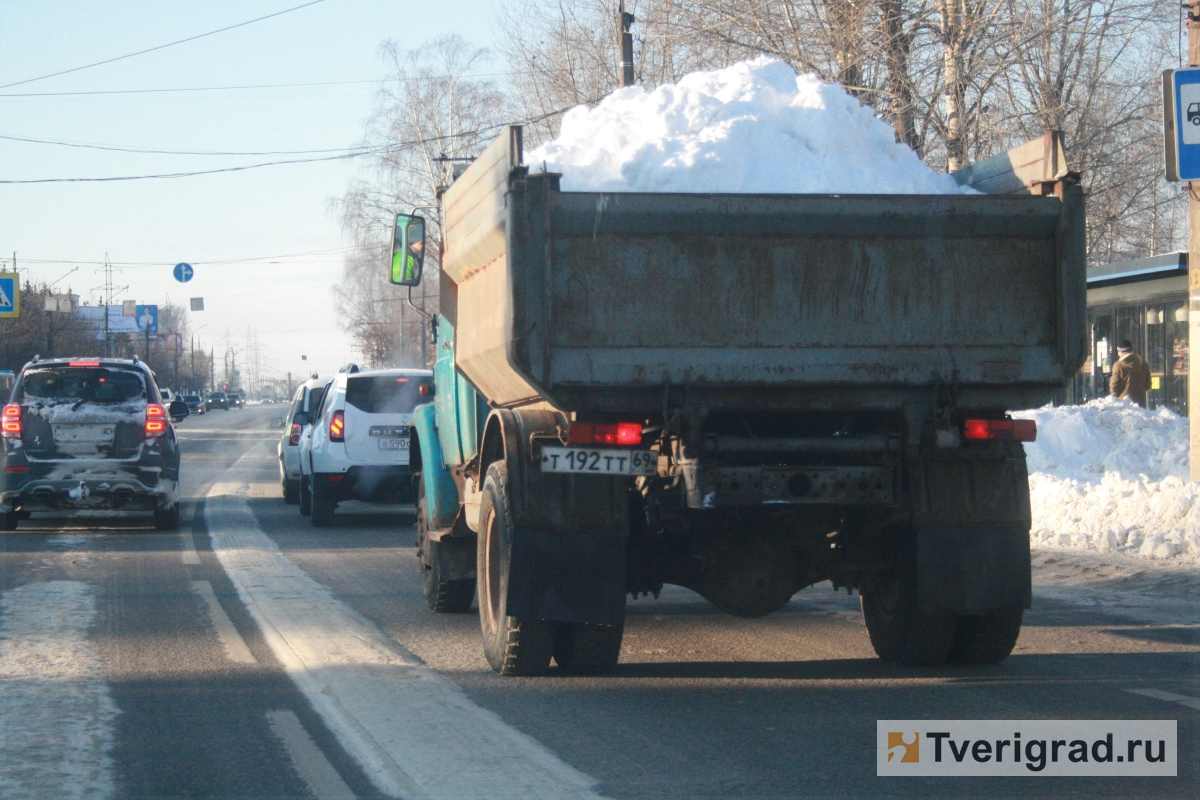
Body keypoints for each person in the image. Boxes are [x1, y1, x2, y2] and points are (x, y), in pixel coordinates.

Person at [1109, 338, 1151, 408]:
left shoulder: (1118, 365)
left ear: (1122, 352)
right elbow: (1148, 385)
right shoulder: (1143, 363)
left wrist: (1114, 398)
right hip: (1140, 404)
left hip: (1124, 405)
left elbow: (1114, 386)